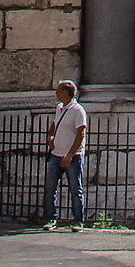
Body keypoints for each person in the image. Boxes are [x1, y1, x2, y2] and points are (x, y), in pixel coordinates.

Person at [42, 79, 87, 228]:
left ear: (65, 92)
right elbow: (55, 123)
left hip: (72, 157)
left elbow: (81, 133)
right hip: (56, 154)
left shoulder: (78, 110)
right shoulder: (59, 108)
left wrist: (69, 155)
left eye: (58, 90)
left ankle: (78, 221)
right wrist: (50, 136)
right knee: (50, 188)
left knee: (75, 190)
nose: (56, 92)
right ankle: (50, 218)